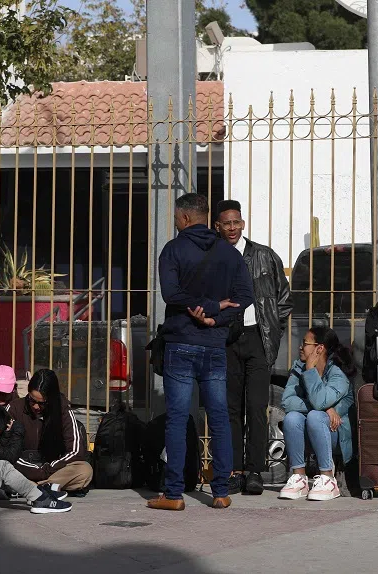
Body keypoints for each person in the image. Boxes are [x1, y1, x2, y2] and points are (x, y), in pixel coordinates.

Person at [148, 193, 254, 511]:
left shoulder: (173, 250)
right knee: (219, 418)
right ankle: (220, 491)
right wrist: (215, 317)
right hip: (215, 345)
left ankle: (174, 494)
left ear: (183, 218)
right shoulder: (229, 252)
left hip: (181, 342)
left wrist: (201, 310)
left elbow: (171, 294)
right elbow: (246, 295)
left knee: (178, 419)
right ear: (207, 217)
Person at [215, 199, 293, 496]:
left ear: (243, 223)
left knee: (258, 407)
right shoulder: (214, 256)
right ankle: (234, 470)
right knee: (230, 408)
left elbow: (283, 300)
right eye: (226, 223)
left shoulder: (264, 256)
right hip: (227, 339)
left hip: (258, 340)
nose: (232, 228)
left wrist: (273, 330)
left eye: (236, 222)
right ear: (218, 226)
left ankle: (255, 471)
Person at [278, 327, 355, 502]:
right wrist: (327, 408)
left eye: (305, 343)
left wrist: (311, 371)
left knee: (315, 416)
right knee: (292, 418)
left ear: (319, 349)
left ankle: (328, 478)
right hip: (311, 432)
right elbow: (287, 401)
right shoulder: (299, 368)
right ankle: (299, 478)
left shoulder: (337, 374)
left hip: (335, 435)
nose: (300, 347)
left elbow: (319, 402)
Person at [8, 369, 92, 493]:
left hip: (53, 471)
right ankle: (45, 488)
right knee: (2, 468)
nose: (36, 407)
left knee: (85, 470)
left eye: (42, 403)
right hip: (23, 469)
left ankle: (36, 488)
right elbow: (5, 450)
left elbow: (75, 451)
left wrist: (48, 470)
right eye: (32, 400)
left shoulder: (63, 410)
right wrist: (36, 471)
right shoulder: (14, 408)